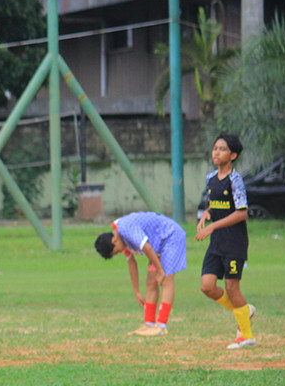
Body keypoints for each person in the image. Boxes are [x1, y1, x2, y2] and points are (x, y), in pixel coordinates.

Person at [195, 132, 256, 349]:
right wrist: (207, 214)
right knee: (207, 286)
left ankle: (246, 335)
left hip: (234, 242)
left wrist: (212, 226)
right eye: (215, 148)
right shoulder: (210, 178)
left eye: (222, 149)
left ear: (233, 155)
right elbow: (218, 204)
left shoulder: (235, 180)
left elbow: (241, 212)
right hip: (217, 243)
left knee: (231, 287)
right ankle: (244, 311)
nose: (216, 152)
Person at [94, 212, 187, 336]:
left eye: (117, 251)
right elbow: (132, 263)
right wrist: (137, 291)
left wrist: (160, 271)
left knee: (166, 279)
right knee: (150, 281)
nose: (121, 251)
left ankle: (161, 326)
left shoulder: (126, 229)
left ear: (114, 240)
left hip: (171, 236)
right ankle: (149, 324)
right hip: (158, 245)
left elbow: (147, 247)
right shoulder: (120, 238)